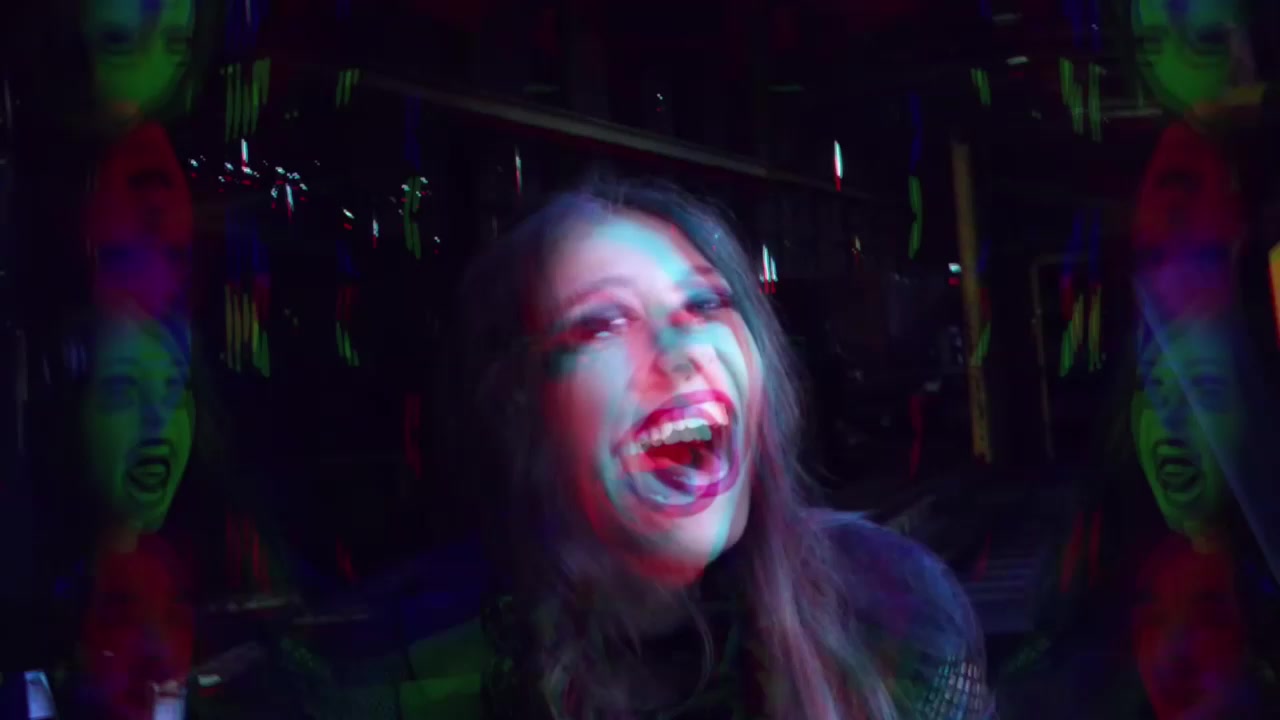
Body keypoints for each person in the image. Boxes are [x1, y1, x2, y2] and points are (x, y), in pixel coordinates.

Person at [445, 179, 995, 720]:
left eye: (706, 303)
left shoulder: (897, 606)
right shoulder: (426, 670)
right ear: (519, 401)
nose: (682, 349)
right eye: (603, 323)